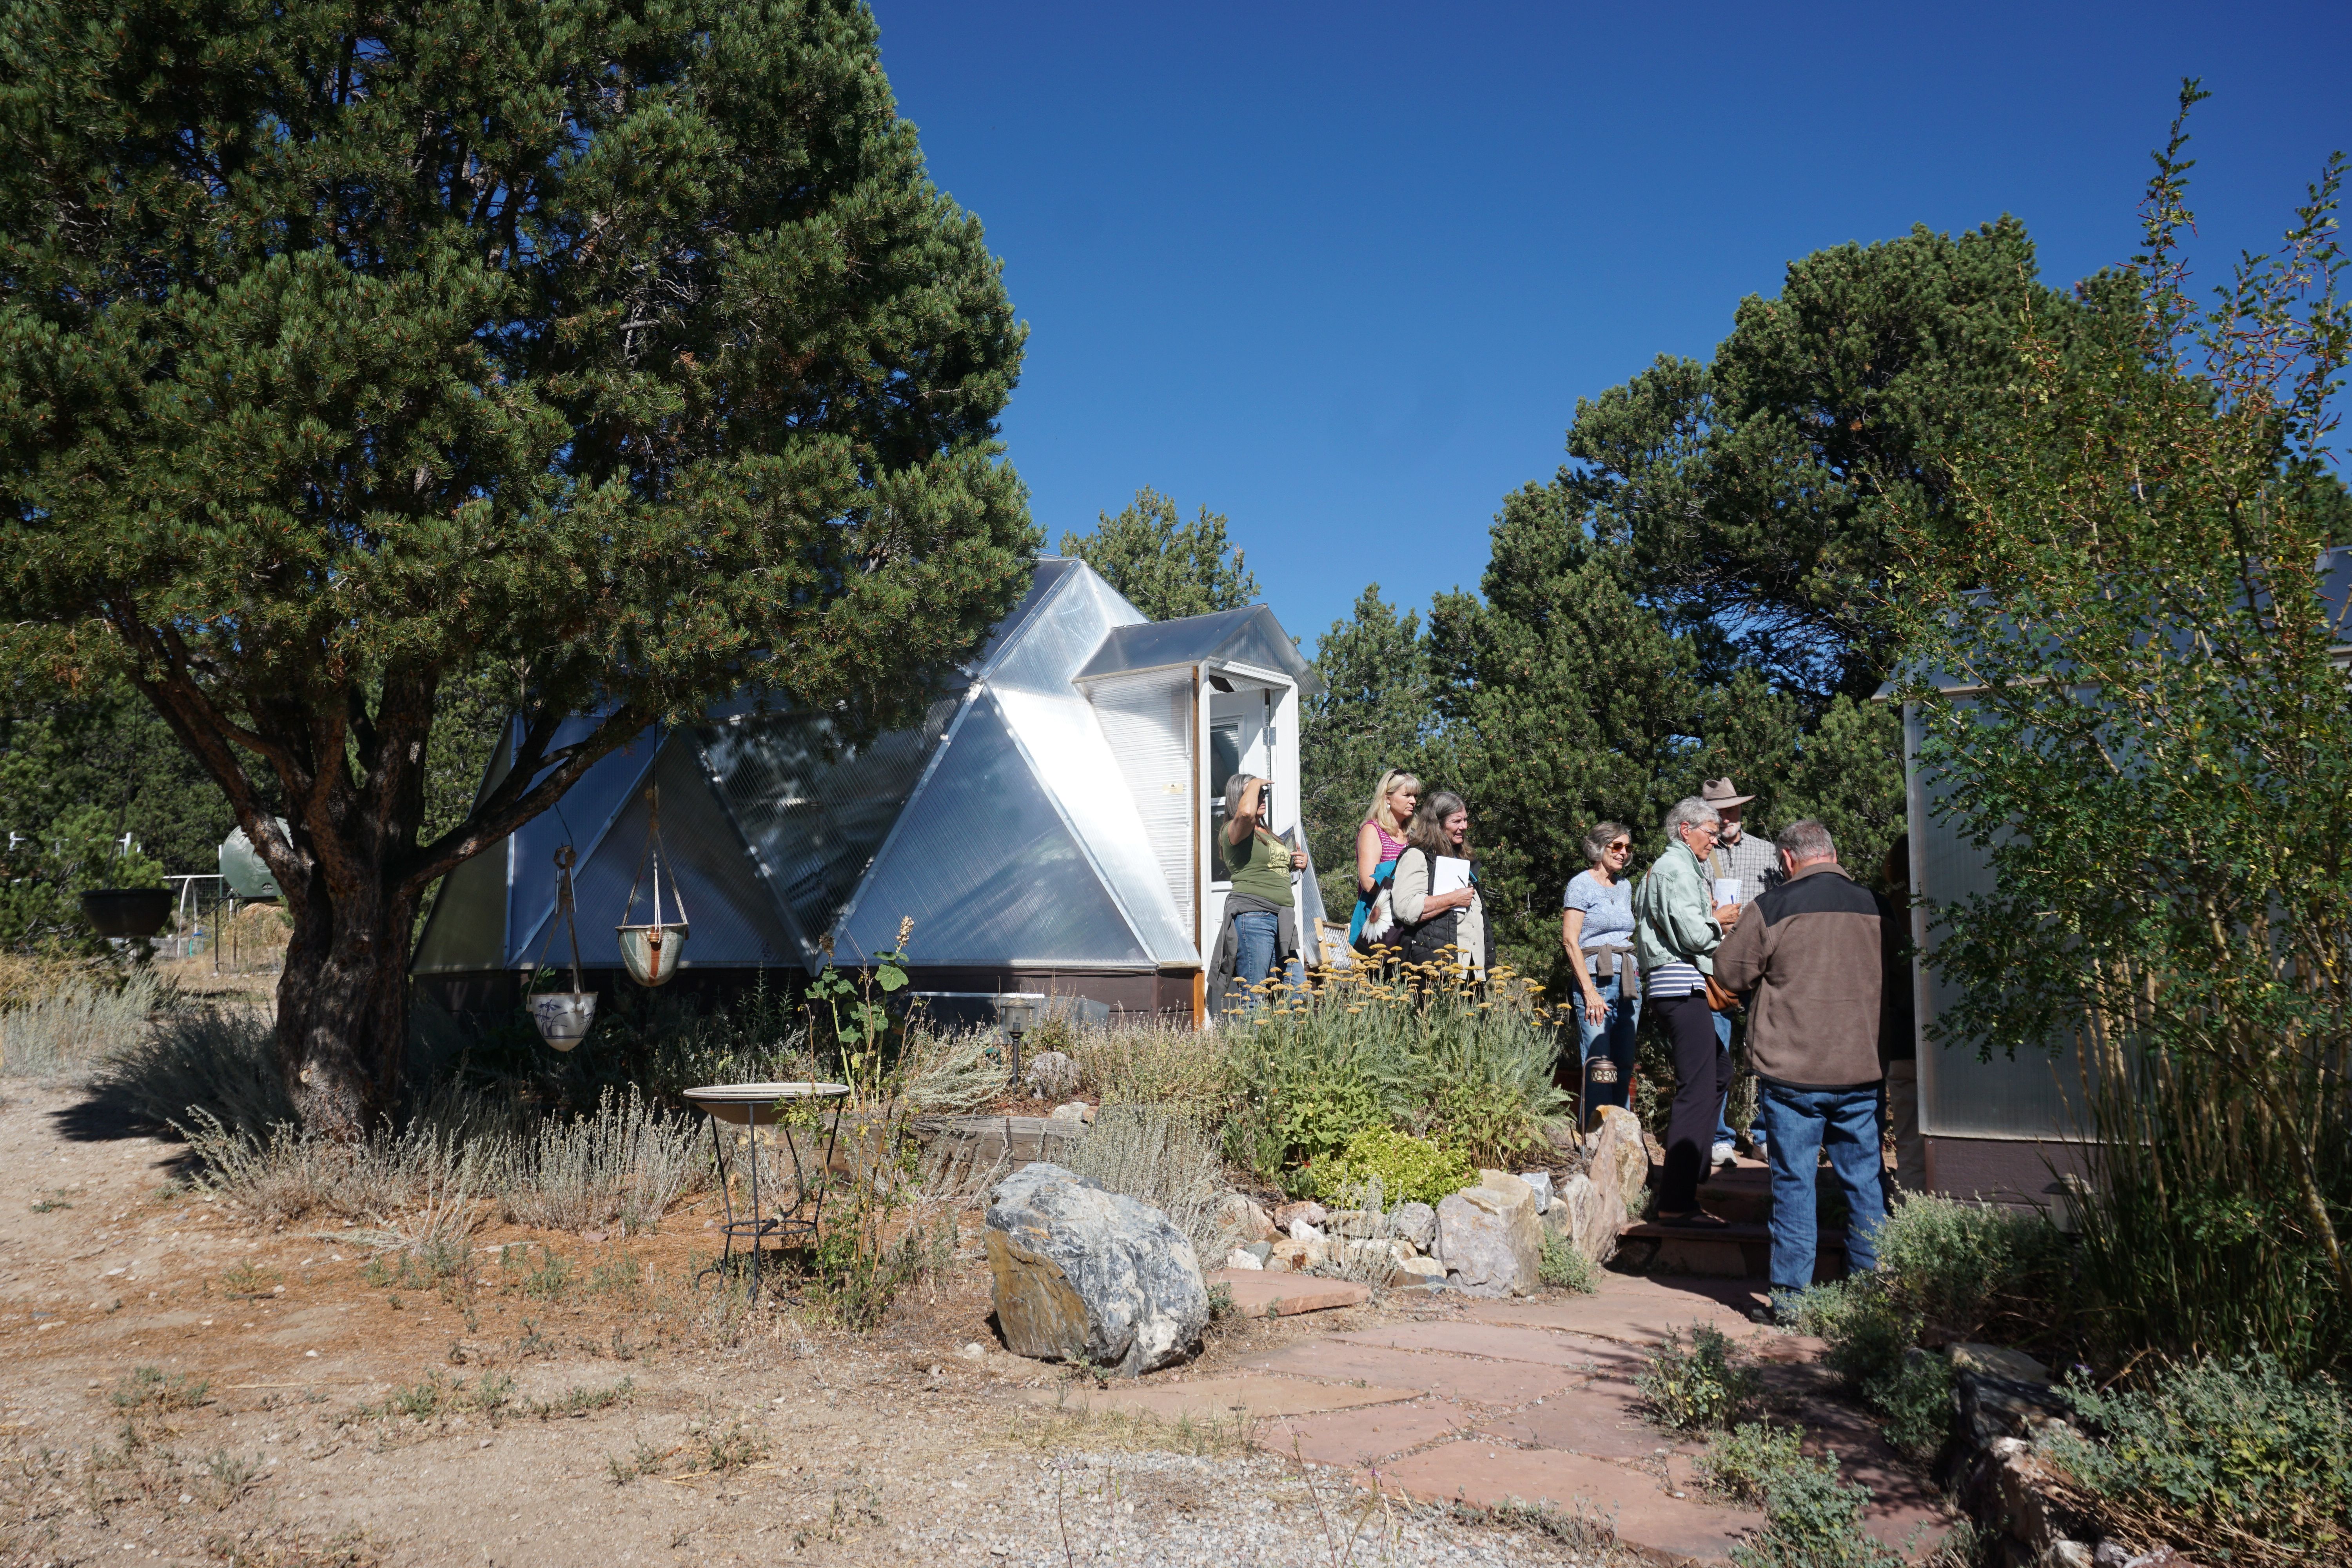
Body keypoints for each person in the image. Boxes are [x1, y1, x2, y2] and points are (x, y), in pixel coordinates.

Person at [1713, 819, 1895, 1320]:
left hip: (1793, 1073)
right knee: (1865, 1183)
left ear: (1789, 861)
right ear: (1833, 853)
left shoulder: (1773, 906)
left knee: (1794, 1185)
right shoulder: (1878, 906)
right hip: (1861, 1068)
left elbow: (1728, 973)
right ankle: (1874, 1302)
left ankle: (1792, 1303)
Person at [1632, 796, 1744, 1226]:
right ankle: (1677, 1201)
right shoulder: (1675, 868)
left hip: (1680, 985)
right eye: (1710, 833)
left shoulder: (1678, 866)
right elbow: (1694, 934)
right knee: (1698, 1085)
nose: (1715, 842)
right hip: (1678, 984)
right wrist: (1721, 922)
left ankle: (1691, 1176)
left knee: (1718, 1073)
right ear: (1685, 829)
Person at [1701, 777, 1782, 1169]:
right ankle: (1718, 1137)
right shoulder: (1698, 853)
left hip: (1764, 966)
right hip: (1715, 964)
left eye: (1732, 809)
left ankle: (1764, 1135)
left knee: (1769, 1051)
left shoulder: (1768, 853)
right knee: (1715, 1051)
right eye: (1719, 811)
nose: (1727, 817)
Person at [1209, 773, 1308, 1005]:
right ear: (1239, 797)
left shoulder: (1267, 834)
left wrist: (1296, 864)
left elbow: (1270, 868)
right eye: (1256, 793)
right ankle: (1250, 1042)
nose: (1262, 797)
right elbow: (1245, 813)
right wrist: (1254, 783)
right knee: (1256, 996)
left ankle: (1287, 1042)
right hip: (1254, 916)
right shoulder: (1232, 830)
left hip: (1282, 917)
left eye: (1264, 793)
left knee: (1298, 994)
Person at [1563, 821, 1639, 1118]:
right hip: (1596, 980)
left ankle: (1622, 1135)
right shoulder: (1581, 884)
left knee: (1623, 1062)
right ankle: (1595, 1133)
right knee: (1599, 1061)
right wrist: (1589, 992)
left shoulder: (1625, 887)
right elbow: (1570, 941)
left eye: (1628, 848)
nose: (1623, 853)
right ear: (1599, 847)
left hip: (1629, 983)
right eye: (1617, 846)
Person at [1390, 790, 1490, 978]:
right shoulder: (1417, 857)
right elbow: (1407, 909)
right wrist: (1454, 899)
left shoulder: (1461, 858)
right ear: (1437, 823)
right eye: (1456, 821)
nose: (1464, 826)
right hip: (1434, 970)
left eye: (1465, 820)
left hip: (1469, 969)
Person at [1878, 834, 1925, 1198]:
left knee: (1908, 1131)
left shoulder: (1885, 908)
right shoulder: (1940, 906)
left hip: (1898, 1034)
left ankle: (1913, 1201)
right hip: (1936, 1038)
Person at [1349, 769, 1420, 953]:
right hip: (1382, 928)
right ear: (1387, 798)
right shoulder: (1373, 830)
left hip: (1410, 924)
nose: (1413, 801)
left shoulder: (1415, 835)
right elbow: (1369, 882)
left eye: (1414, 796)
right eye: (1407, 795)